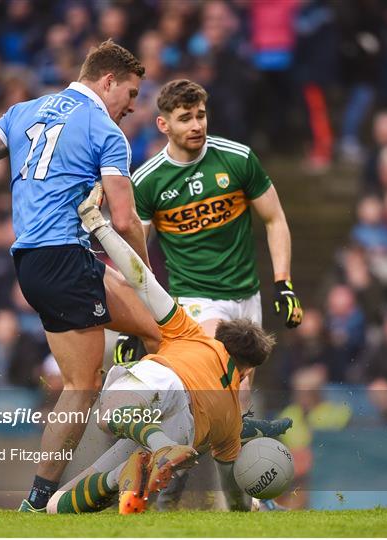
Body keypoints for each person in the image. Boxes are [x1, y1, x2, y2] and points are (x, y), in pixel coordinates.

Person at [0, 39, 162, 513]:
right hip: (66, 258)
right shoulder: (104, 130)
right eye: (129, 93)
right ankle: (141, 466)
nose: (132, 106)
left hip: (33, 262)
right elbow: (126, 221)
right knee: (124, 356)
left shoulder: (23, 110)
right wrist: (150, 282)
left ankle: (123, 467)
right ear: (107, 81)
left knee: (108, 361)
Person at [46, 183, 292, 515]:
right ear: (246, 370)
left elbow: (142, 280)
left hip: (164, 384)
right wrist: (249, 508)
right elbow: (231, 484)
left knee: (108, 415)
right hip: (184, 431)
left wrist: (98, 226)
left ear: (221, 340)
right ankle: (134, 466)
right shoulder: (232, 417)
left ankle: (155, 450)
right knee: (58, 506)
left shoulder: (191, 334)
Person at [116, 78, 303, 510]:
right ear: (163, 124)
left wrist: (284, 282)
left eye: (200, 114)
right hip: (195, 300)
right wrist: (135, 323)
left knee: (236, 398)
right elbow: (135, 260)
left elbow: (275, 219)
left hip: (246, 295)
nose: (196, 124)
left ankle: (225, 501)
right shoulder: (148, 181)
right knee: (218, 385)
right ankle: (189, 497)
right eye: (185, 118)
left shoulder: (236, 160)